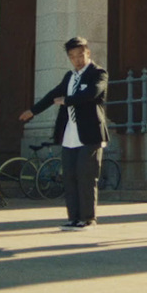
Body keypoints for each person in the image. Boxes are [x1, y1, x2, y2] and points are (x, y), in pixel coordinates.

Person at [19, 36, 109, 231]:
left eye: (80, 55)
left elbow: (92, 94)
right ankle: (73, 218)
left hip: (90, 134)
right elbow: (52, 95)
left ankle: (88, 218)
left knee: (86, 176)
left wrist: (68, 100)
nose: (77, 60)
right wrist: (33, 111)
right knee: (69, 176)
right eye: (72, 56)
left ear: (88, 53)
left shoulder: (98, 73)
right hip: (69, 134)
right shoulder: (70, 77)